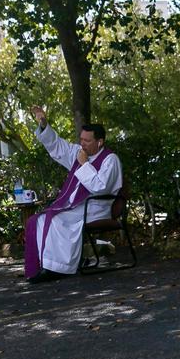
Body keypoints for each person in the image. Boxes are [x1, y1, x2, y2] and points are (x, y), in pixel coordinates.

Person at [24, 106, 123, 283]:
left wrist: (84, 165)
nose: (82, 144)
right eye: (81, 139)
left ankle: (59, 268)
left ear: (99, 142)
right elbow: (58, 145)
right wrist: (44, 123)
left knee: (56, 220)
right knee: (38, 219)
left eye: (87, 140)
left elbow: (100, 187)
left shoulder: (110, 159)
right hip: (78, 206)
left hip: (96, 207)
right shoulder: (80, 153)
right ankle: (45, 264)